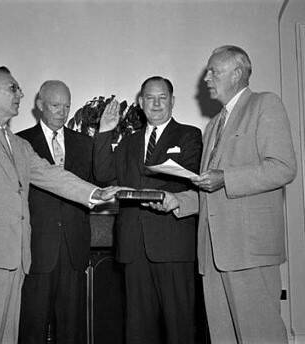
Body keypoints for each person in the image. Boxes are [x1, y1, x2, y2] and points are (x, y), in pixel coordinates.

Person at [0, 33, 119, 344]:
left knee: (6, 336)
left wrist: (94, 194)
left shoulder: (18, 144)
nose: (20, 93)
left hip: (16, 255)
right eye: (13, 88)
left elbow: (52, 176)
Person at [149, 46, 297, 343]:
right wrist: (179, 200)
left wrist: (226, 178)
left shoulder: (265, 104)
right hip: (214, 253)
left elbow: (283, 168)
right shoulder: (213, 125)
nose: (206, 78)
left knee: (261, 336)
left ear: (238, 73)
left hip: (249, 251)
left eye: (213, 71)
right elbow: (208, 188)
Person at [94, 76, 202, 344]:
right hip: (134, 246)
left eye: (162, 97)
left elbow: (191, 179)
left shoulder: (189, 135)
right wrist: (106, 131)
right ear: (140, 103)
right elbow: (104, 174)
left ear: (172, 101)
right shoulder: (129, 141)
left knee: (180, 327)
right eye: (150, 98)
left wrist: (166, 195)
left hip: (173, 244)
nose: (156, 103)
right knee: (138, 328)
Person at [17, 80, 93, 343]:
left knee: (73, 331)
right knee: (31, 327)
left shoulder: (85, 144)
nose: (62, 112)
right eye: (55, 105)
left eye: (67, 106)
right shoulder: (20, 143)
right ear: (39, 105)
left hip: (74, 251)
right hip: (37, 249)